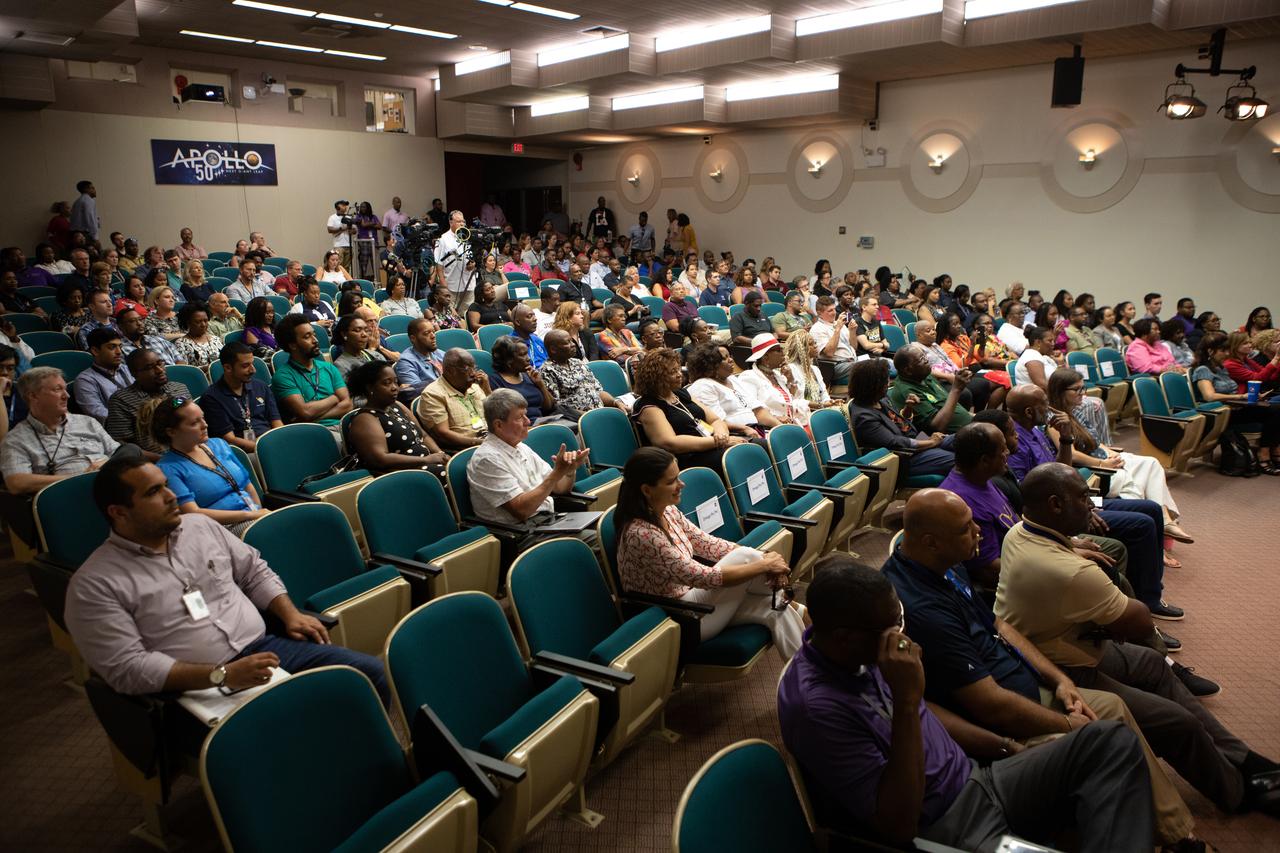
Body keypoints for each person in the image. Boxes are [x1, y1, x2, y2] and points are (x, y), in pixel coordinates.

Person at [883, 487, 1198, 847]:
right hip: (1009, 718)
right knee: (1110, 725)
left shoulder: (945, 565)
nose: (979, 533)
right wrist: (1066, 723)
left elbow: (1000, 626)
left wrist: (1059, 679)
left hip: (1028, 684)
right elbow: (990, 705)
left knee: (1118, 711)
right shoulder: (923, 611)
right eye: (965, 529)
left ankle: (1171, 830)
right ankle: (1174, 834)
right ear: (931, 542)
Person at [778, 554, 1156, 852]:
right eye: (892, 629)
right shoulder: (816, 706)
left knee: (1110, 741)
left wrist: (1007, 747)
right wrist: (908, 700)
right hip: (948, 827)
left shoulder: (863, 652)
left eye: (901, 622)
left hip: (981, 779)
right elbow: (898, 824)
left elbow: (929, 716)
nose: (902, 638)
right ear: (844, 637)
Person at [997, 463, 1280, 818]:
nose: (1091, 504)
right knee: (1179, 723)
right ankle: (1239, 793)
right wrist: (1096, 577)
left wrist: (1073, 548)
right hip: (1057, 667)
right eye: (1083, 498)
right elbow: (1141, 622)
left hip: (1058, 641)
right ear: (1055, 505)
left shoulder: (1021, 532)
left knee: (1151, 663)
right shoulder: (1070, 572)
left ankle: (1244, 758)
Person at [64, 456, 388, 700]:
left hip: (266, 648)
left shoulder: (199, 527)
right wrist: (221, 674)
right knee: (298, 725)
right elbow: (127, 668)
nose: (171, 496)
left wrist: (289, 614)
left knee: (369, 675)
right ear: (118, 512)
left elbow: (253, 571)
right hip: (193, 688)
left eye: (166, 484)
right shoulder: (95, 584)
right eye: (154, 492)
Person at [617, 446, 804, 655]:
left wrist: (765, 560)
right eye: (671, 482)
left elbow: (708, 544)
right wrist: (766, 564)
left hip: (699, 604)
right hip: (680, 618)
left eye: (678, 477)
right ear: (646, 490)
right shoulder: (642, 535)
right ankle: (787, 593)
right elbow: (704, 577)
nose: (681, 484)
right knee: (745, 558)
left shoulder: (668, 510)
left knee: (777, 609)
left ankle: (810, 677)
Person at [1005, 382, 1192, 546]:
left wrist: (1066, 438)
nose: (1049, 408)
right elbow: (1029, 497)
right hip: (1063, 508)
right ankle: (1152, 566)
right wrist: (1080, 507)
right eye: (1044, 404)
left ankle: (1159, 543)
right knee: (1143, 523)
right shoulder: (1015, 443)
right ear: (1029, 412)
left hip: (1080, 501)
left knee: (1151, 507)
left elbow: (1062, 470)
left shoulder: (1035, 431)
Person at [465, 387, 585, 534]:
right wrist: (556, 473)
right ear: (498, 425)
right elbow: (522, 511)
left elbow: (560, 488)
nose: (528, 421)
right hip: (521, 534)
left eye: (526, 415)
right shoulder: (487, 460)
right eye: (519, 417)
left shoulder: (521, 447)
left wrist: (569, 471)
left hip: (548, 521)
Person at [147, 396, 267, 532]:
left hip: (254, 515)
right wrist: (250, 515)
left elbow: (247, 485)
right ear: (172, 432)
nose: (205, 425)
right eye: (194, 423)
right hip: (218, 529)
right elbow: (193, 512)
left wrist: (258, 513)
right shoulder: (167, 468)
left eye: (203, 418)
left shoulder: (219, 444)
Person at [632, 347, 747, 471]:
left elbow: (714, 420)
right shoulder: (648, 406)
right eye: (673, 372)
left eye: (678, 369)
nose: (679, 374)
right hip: (687, 458)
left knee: (756, 446)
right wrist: (718, 442)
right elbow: (670, 443)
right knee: (741, 456)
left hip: (711, 446)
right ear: (656, 377)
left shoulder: (680, 393)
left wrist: (722, 435)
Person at [848, 358, 955, 478]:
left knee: (965, 440)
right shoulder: (864, 416)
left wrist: (908, 408)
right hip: (905, 457)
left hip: (919, 441)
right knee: (957, 459)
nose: (888, 384)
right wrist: (931, 442)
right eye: (885, 381)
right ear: (874, 385)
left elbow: (898, 424)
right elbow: (894, 442)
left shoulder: (881, 399)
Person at [1193, 332, 1280, 473]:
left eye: (1228, 350)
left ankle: (1271, 450)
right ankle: (1264, 454)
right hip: (1223, 414)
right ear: (1210, 351)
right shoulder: (1203, 369)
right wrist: (1241, 397)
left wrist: (1250, 397)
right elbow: (1209, 396)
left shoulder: (1221, 368)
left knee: (1276, 409)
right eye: (1223, 350)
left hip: (1237, 408)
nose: (1227, 353)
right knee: (1275, 410)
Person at [344, 360, 448, 477]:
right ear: (370, 388)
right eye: (387, 383)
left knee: (456, 467)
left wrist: (440, 454)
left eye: (396, 382)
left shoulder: (398, 406)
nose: (395, 387)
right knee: (450, 474)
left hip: (426, 464)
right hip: (400, 473)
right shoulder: (365, 419)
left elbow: (423, 435)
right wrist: (426, 460)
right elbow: (381, 459)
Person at [105, 348, 191, 457]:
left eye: (160, 363)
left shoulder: (179, 389)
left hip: (189, 450)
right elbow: (123, 445)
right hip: (154, 460)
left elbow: (191, 420)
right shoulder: (122, 401)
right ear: (134, 373)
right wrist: (161, 459)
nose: (160, 370)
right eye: (150, 367)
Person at [199, 342, 282, 453]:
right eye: (245, 366)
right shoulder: (212, 397)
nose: (253, 370)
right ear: (228, 368)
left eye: (252, 364)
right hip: (244, 453)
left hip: (272, 443)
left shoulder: (261, 387)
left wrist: (280, 442)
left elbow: (276, 422)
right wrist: (264, 448)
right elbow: (230, 439)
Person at [270, 315, 351, 428]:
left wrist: (316, 417)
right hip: (314, 433)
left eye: (314, 334)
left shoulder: (329, 368)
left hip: (344, 426)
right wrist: (335, 398)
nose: (315, 340)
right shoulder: (283, 376)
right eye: (307, 337)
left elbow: (348, 404)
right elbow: (306, 412)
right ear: (292, 345)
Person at [686, 342, 777, 438]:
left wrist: (780, 426)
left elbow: (757, 410)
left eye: (730, 356)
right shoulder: (703, 386)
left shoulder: (732, 379)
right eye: (724, 358)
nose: (731, 360)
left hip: (757, 430)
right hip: (735, 436)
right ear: (711, 365)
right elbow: (716, 422)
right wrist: (744, 429)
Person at [917, 317, 1002, 410]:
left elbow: (951, 362)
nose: (933, 332)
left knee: (983, 384)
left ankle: (980, 415)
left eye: (933, 329)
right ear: (919, 335)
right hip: (939, 380)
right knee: (965, 394)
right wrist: (948, 376)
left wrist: (961, 371)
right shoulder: (916, 348)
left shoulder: (935, 345)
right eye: (928, 331)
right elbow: (924, 369)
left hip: (954, 375)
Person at [889, 344, 974, 434]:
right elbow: (938, 427)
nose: (927, 360)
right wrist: (956, 389)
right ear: (908, 370)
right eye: (921, 359)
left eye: (925, 356)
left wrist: (971, 416)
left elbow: (946, 403)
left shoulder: (923, 375)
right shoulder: (907, 391)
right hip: (953, 437)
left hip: (969, 425)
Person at [540, 329, 625, 419]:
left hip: (599, 413)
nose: (573, 345)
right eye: (567, 342)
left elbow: (598, 391)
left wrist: (616, 402)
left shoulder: (578, 363)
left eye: (572, 341)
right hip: (578, 420)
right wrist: (590, 416)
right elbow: (558, 407)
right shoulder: (548, 370)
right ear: (553, 349)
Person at [419, 349, 490, 450]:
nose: (473, 373)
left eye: (474, 368)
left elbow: (498, 415)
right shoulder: (432, 394)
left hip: (489, 441)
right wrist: (484, 443)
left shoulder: (475, 386)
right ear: (451, 371)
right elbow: (443, 434)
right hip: (464, 449)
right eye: (467, 369)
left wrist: (487, 389)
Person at [735, 334, 809, 426]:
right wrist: (775, 418)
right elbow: (750, 408)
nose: (783, 352)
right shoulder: (749, 377)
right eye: (778, 350)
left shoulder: (778, 375)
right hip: (769, 428)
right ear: (765, 357)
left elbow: (796, 400)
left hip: (793, 424)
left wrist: (790, 379)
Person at [487, 336, 554, 421]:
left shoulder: (529, 376)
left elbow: (548, 407)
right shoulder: (495, 381)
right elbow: (502, 416)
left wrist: (540, 384)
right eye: (522, 355)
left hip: (542, 422)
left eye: (527, 353)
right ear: (508, 360)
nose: (528, 358)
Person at [74, 327, 133, 422]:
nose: (119, 352)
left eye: (120, 346)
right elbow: (98, 414)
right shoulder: (85, 380)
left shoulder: (127, 369)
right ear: (95, 351)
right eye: (112, 347)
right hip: (119, 429)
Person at [783, 330, 835, 411]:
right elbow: (795, 400)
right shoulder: (791, 369)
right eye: (810, 344)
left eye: (815, 343)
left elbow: (824, 394)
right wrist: (821, 405)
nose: (815, 346)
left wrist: (830, 402)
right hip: (802, 413)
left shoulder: (815, 369)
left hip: (820, 410)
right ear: (801, 348)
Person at [395, 318, 445, 399]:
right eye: (426, 333)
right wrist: (448, 382)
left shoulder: (438, 353)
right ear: (413, 338)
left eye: (433, 331)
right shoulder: (406, 361)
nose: (433, 336)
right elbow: (414, 393)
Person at [116, 306, 182, 366]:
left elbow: (179, 359)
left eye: (140, 319)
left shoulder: (157, 340)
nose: (139, 323)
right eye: (132, 321)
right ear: (120, 326)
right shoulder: (120, 349)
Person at [435, 209, 472, 311]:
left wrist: (472, 265)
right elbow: (439, 265)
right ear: (451, 222)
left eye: (463, 221)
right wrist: (443, 285)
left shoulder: (469, 237)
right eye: (458, 221)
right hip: (450, 284)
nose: (462, 224)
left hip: (468, 283)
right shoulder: (443, 239)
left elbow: (473, 257)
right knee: (452, 315)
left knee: (467, 314)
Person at [173, 302, 221, 369]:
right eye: (198, 322)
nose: (203, 324)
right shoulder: (181, 344)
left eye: (206, 320)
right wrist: (209, 368)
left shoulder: (216, 339)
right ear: (188, 323)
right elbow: (184, 371)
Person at [508, 304, 549, 370]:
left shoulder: (537, 339)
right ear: (518, 322)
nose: (535, 319)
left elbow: (548, 360)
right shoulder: (510, 344)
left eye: (534, 315)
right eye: (529, 316)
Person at [326, 200, 355, 271]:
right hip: (339, 245)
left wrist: (351, 230)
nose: (345, 207)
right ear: (337, 208)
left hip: (349, 245)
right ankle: (339, 280)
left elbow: (355, 230)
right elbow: (330, 229)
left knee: (347, 266)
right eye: (343, 205)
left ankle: (346, 281)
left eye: (345, 205)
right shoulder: (332, 217)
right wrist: (342, 228)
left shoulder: (349, 217)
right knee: (338, 265)